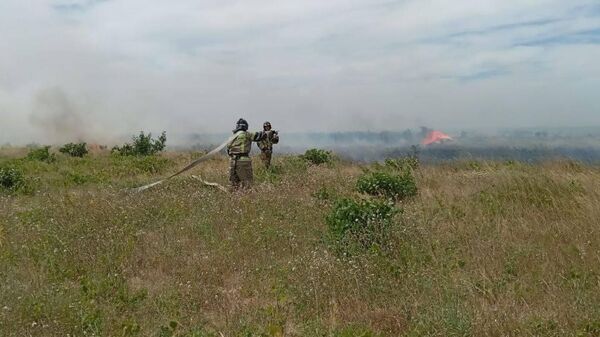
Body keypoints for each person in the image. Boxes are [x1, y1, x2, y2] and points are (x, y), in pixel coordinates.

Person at [226, 118, 267, 189]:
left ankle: (234, 199)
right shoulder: (247, 134)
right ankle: (247, 199)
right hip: (243, 161)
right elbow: (261, 136)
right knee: (248, 184)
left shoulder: (232, 137)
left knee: (234, 185)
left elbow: (228, 151)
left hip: (232, 162)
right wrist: (268, 133)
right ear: (245, 126)